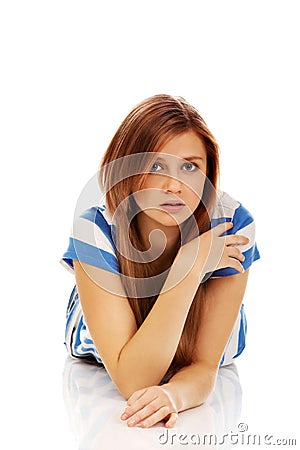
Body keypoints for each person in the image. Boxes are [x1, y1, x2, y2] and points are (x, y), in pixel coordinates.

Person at [61, 94, 260, 429]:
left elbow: (204, 364)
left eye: (190, 166)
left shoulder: (232, 223)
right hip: (107, 328)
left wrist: (174, 395)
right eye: (155, 166)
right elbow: (134, 380)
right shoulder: (94, 229)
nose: (175, 185)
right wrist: (190, 265)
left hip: (201, 329)